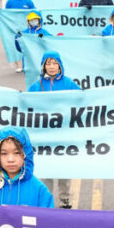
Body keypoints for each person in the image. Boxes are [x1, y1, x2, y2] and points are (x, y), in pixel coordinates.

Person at [27, 52, 79, 208]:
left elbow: (83, 101)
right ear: (43, 66)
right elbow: (26, 108)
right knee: (46, 172)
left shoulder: (69, 84)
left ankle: (65, 202)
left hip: (64, 138)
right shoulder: (35, 86)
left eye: (54, 63)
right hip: (44, 139)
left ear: (60, 65)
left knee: (64, 172)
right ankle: (46, 203)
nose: (51, 67)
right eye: (48, 63)